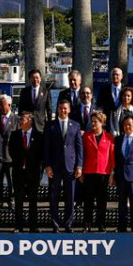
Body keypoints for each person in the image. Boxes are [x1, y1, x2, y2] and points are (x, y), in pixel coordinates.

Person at [44, 99, 83, 232]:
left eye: (65, 108)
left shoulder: (76, 125)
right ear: (58, 109)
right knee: (53, 196)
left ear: (69, 109)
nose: (63, 111)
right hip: (54, 167)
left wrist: (79, 166)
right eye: (61, 108)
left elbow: (79, 147)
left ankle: (68, 224)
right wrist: (47, 165)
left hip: (70, 166)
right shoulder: (50, 125)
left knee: (70, 196)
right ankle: (55, 224)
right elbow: (46, 148)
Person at [8, 110, 43, 232]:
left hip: (33, 174)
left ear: (30, 121)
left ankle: (33, 226)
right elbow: (11, 151)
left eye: (22, 119)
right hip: (18, 173)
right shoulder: (14, 134)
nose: (20, 121)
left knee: (33, 201)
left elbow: (40, 155)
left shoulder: (38, 136)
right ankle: (19, 226)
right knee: (19, 201)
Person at [80, 112, 114, 232]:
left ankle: (101, 224)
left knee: (102, 201)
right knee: (88, 200)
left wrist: (112, 173)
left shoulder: (109, 137)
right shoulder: (86, 136)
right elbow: (82, 155)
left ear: (102, 123)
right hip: (89, 172)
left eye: (96, 121)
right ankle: (87, 224)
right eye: (92, 121)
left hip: (103, 173)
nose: (93, 123)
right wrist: (81, 171)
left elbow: (112, 156)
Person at [0, 95, 18, 206]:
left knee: (11, 180)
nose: (0, 107)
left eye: (2, 104)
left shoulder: (17, 119)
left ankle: (11, 199)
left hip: (11, 156)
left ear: (9, 105)